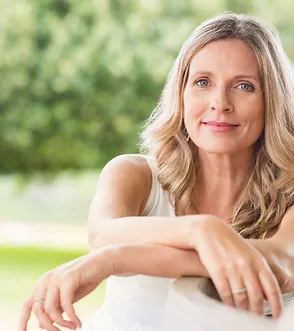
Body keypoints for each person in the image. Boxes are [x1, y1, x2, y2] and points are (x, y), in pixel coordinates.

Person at [19, 12, 294, 331]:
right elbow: (103, 234)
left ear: (273, 100)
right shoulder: (132, 174)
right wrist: (202, 230)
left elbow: (280, 262)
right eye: (202, 82)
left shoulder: (289, 193)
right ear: (181, 92)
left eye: (244, 86)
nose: (220, 103)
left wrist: (112, 261)